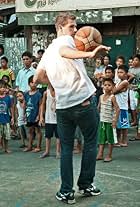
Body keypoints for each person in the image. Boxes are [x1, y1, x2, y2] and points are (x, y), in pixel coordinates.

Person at [34, 12, 111, 204]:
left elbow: (37, 78)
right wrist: (90, 53)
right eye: (71, 26)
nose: (75, 30)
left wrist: (52, 86)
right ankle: (85, 184)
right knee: (91, 143)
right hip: (84, 103)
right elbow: (65, 53)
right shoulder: (64, 42)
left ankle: (66, 191)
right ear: (60, 28)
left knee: (66, 148)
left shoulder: (48, 50)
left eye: (75, 26)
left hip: (63, 107)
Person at [96, 78, 120, 162]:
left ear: (113, 87)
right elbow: (98, 108)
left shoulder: (112, 97)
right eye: (105, 85)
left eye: (109, 85)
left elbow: (117, 109)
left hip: (109, 121)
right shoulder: (101, 97)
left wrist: (115, 120)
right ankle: (100, 154)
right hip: (102, 121)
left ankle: (109, 155)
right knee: (101, 138)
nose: (107, 87)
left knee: (110, 139)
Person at [39, 83, 60, 159]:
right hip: (49, 117)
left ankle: (58, 152)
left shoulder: (59, 92)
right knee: (48, 136)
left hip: (58, 118)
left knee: (58, 136)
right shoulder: (46, 92)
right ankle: (47, 151)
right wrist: (41, 116)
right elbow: (42, 104)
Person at [23, 75, 42, 152]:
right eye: (32, 82)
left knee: (38, 131)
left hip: (36, 115)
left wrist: (39, 116)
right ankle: (29, 146)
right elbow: (25, 104)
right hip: (29, 115)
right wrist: (24, 114)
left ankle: (38, 146)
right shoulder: (26, 94)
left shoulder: (38, 94)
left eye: (35, 83)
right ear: (29, 84)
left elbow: (40, 105)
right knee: (30, 131)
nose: (33, 84)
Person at [113, 65, 129, 147]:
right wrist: (117, 90)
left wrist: (117, 90)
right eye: (118, 72)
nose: (119, 74)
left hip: (123, 107)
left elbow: (114, 91)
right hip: (117, 106)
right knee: (118, 126)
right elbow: (115, 90)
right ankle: (119, 140)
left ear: (126, 74)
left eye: (121, 72)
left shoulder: (125, 82)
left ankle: (124, 141)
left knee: (124, 125)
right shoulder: (119, 82)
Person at [0, 80, 14, 153]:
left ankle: (6, 148)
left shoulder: (8, 97)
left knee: (6, 136)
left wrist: (13, 118)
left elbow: (11, 107)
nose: (2, 89)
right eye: (1, 87)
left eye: (4, 87)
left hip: (6, 119)